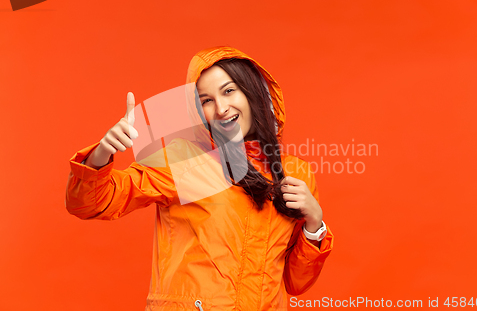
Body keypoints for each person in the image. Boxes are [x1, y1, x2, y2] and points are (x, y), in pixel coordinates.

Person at [65, 46, 334, 311]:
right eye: (206, 100)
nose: (221, 108)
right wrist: (102, 153)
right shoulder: (185, 160)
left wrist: (315, 223)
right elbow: (90, 203)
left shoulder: (294, 174)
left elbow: (296, 282)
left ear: (252, 92)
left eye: (229, 91)